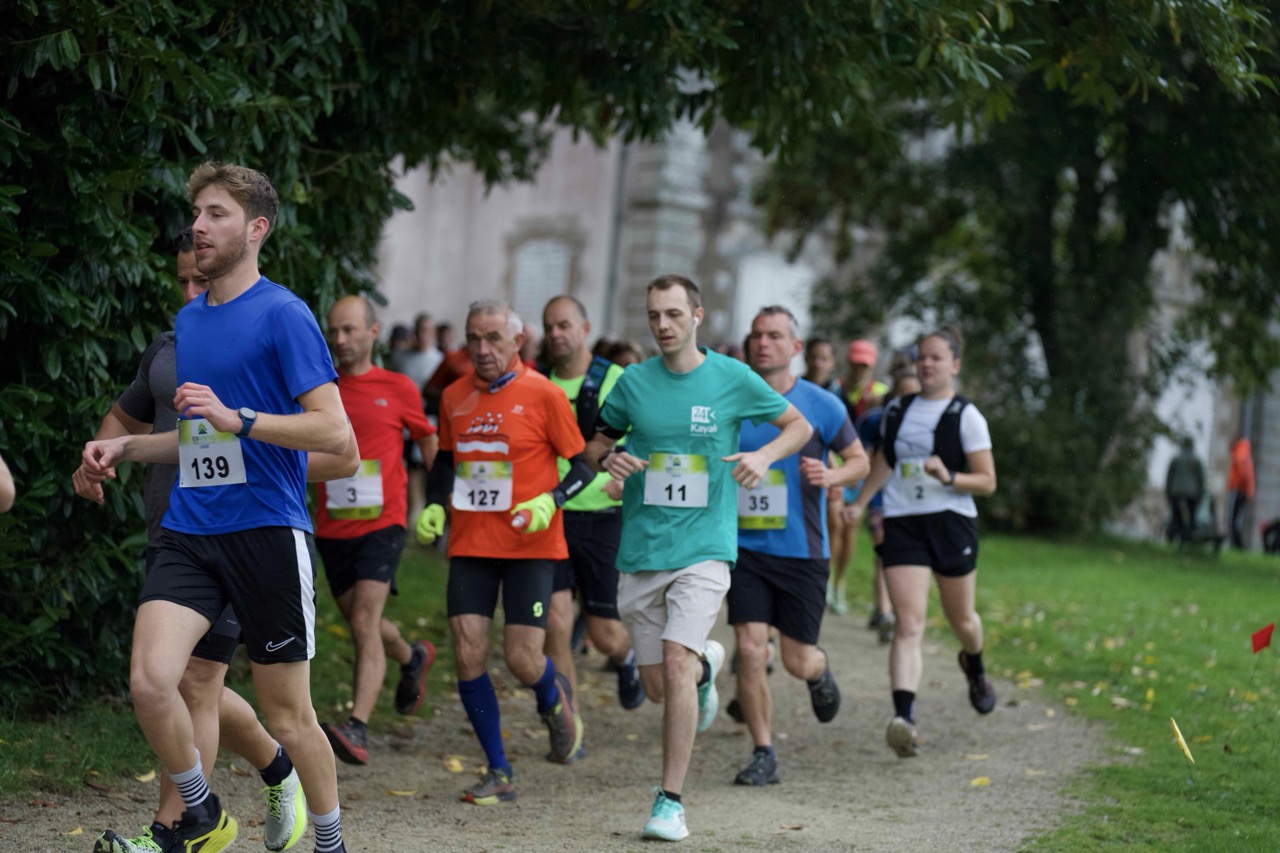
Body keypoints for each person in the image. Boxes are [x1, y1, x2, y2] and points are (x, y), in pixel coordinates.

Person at [80, 162, 356, 853]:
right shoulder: (190, 320)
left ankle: (330, 841)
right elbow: (200, 438)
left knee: (289, 717)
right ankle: (198, 810)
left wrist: (244, 418)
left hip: (266, 530)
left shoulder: (285, 314)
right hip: (191, 528)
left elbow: (335, 433)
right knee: (152, 679)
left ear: (256, 229)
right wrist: (126, 448)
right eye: (196, 213)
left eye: (216, 214)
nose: (198, 226)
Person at [584, 274, 812, 841]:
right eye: (654, 315)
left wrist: (764, 455)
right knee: (660, 686)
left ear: (697, 316)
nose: (662, 325)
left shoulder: (731, 377)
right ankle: (708, 665)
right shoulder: (634, 383)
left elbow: (798, 425)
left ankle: (670, 803)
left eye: (673, 314)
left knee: (674, 664)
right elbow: (594, 444)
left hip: (705, 548)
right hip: (643, 549)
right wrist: (608, 459)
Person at [414, 300, 596, 804]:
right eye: (473, 338)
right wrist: (435, 504)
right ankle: (498, 768)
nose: (482, 348)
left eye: (493, 338)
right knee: (468, 651)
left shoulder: (544, 393)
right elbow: (445, 459)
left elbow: (583, 467)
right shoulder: (454, 395)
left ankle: (553, 699)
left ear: (518, 341)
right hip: (471, 544)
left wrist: (551, 500)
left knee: (521, 658)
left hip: (529, 544)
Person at [727, 306, 868, 786]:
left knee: (796, 659)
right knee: (750, 650)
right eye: (756, 335)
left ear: (795, 347)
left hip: (802, 550)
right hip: (744, 548)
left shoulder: (822, 404)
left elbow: (860, 461)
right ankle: (763, 751)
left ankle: (818, 670)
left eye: (774, 335)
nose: (763, 343)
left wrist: (832, 475)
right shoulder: (732, 400)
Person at [847, 326, 997, 759]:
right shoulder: (897, 410)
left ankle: (974, 662)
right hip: (903, 521)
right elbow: (885, 461)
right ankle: (904, 720)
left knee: (961, 619)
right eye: (922, 357)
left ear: (955, 365)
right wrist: (860, 503)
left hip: (951, 522)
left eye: (936, 358)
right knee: (908, 623)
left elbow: (987, 481)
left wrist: (950, 476)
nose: (926, 364)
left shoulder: (966, 415)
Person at [315, 296, 440, 766]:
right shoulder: (319, 389)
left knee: (364, 622)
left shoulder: (398, 387)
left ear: (373, 331)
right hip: (332, 526)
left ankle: (357, 727)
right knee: (360, 621)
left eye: (349, 330)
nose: (340, 340)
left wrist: (440, 499)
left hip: (384, 522)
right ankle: (412, 657)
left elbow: (427, 437)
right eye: (334, 331)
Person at [539, 295, 643, 730]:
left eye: (564, 325)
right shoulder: (537, 381)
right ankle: (570, 724)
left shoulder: (617, 379)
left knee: (603, 634)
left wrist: (628, 480)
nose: (556, 334)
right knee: (556, 623)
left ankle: (626, 656)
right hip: (553, 514)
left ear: (584, 328)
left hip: (603, 514)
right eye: (549, 326)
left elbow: (644, 436)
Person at [851, 366, 922, 645]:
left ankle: (899, 610)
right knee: (883, 548)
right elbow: (863, 456)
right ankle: (884, 611)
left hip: (914, 498)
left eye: (913, 393)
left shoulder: (931, 422)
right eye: (902, 392)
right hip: (881, 494)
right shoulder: (875, 420)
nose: (907, 398)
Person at [827, 338, 888, 615]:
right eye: (856, 364)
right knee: (834, 523)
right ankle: (827, 580)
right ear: (849, 363)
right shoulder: (835, 390)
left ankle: (839, 583)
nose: (860, 370)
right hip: (835, 468)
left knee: (850, 528)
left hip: (863, 472)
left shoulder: (881, 393)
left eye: (865, 365)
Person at [1165, 437, 1206, 544]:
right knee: (1191, 517)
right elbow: (1201, 480)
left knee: (1175, 516)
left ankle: (1171, 538)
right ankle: (1188, 540)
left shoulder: (1176, 459)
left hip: (1176, 491)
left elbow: (1169, 477)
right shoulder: (1196, 460)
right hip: (1192, 493)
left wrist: (1168, 493)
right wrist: (1200, 495)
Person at [1228, 433, 1255, 549]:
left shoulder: (1240, 451)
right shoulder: (1244, 451)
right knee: (1236, 518)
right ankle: (1237, 545)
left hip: (1238, 490)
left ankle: (1236, 545)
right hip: (1242, 490)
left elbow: (1243, 473)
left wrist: (1241, 488)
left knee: (1233, 519)